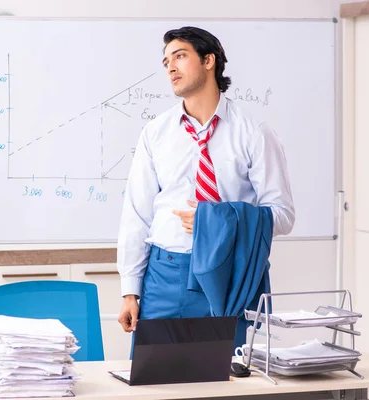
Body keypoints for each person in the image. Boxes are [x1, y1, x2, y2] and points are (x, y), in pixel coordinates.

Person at [116, 26, 295, 335]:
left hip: (232, 274)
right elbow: (136, 214)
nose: (170, 66)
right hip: (166, 275)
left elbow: (283, 215)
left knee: (233, 378)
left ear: (209, 60)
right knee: (156, 379)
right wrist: (130, 291)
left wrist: (216, 220)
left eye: (180, 56)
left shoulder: (254, 132)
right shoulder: (156, 133)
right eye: (166, 61)